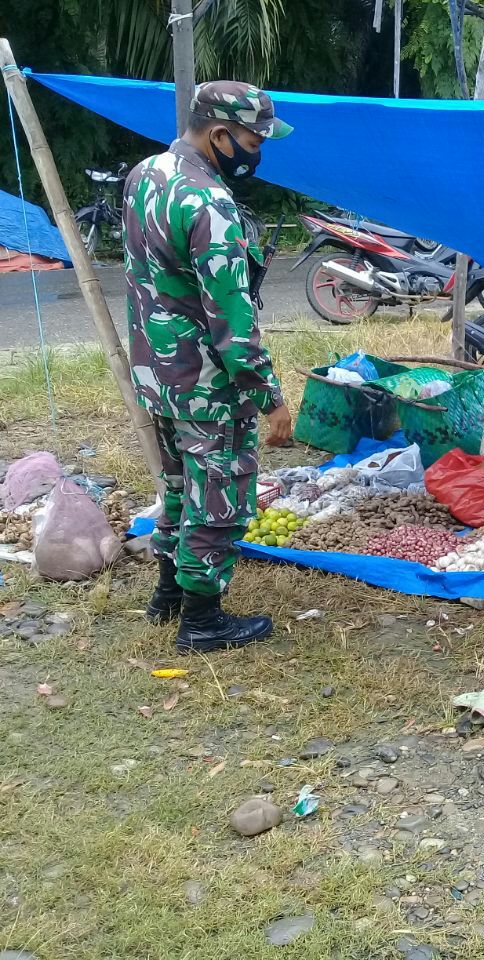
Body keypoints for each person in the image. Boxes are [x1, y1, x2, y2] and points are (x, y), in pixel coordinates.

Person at [125, 81, 294, 654]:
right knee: (219, 493)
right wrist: (271, 396)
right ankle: (201, 619)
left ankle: (168, 593)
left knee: (178, 485)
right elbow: (233, 322)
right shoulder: (210, 204)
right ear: (220, 134)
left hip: (156, 370)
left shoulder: (146, 174)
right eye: (253, 138)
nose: (258, 151)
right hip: (205, 380)